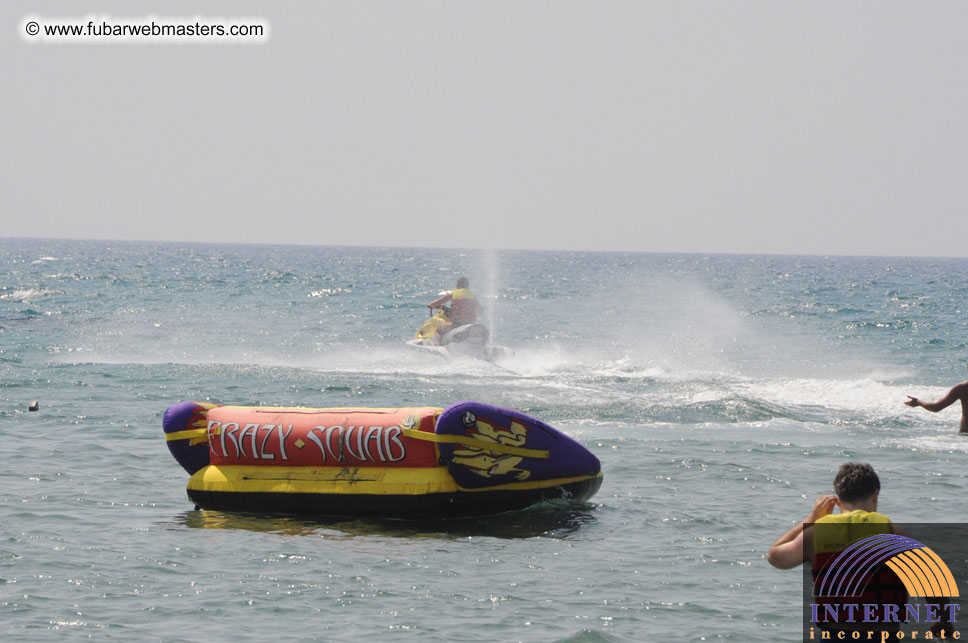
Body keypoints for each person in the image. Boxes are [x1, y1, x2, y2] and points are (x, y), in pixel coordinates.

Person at [767, 463, 907, 636]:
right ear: (875, 495)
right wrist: (942, 620)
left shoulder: (815, 534)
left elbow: (776, 557)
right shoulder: (895, 534)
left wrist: (811, 519)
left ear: (838, 500)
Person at [428, 276, 483, 344]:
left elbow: (438, 302)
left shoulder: (453, 294)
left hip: (457, 324)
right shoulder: (472, 296)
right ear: (467, 286)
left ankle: (440, 348)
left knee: (438, 330)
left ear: (457, 285)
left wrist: (431, 304)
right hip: (470, 324)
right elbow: (481, 311)